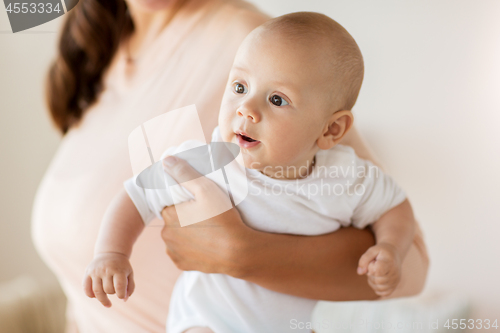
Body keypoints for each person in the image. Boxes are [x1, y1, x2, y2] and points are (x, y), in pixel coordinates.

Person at [32, 0, 429, 332]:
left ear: (332, 129)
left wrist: (244, 253)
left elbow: (411, 262)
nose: (246, 107)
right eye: (237, 88)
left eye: (276, 100)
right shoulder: (95, 44)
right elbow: (135, 195)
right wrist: (110, 253)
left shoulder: (266, 44)